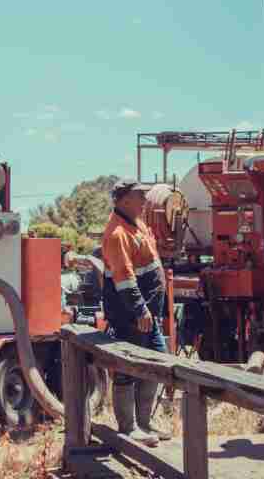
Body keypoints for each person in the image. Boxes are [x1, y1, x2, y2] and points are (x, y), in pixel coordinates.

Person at [100, 180, 169, 447]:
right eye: (140, 196)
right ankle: (129, 428)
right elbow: (124, 279)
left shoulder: (136, 223)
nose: (145, 200)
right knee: (127, 368)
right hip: (131, 317)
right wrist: (140, 309)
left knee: (156, 363)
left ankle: (144, 423)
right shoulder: (117, 233)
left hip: (146, 316)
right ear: (124, 200)